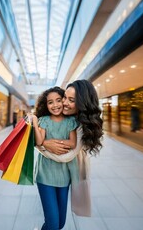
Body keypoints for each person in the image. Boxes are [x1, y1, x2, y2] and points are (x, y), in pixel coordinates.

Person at [36, 79, 104, 221]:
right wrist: (42, 142)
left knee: (60, 222)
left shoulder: (79, 124)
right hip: (48, 175)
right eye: (65, 97)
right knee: (53, 222)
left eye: (71, 100)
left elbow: (66, 156)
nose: (64, 103)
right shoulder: (55, 118)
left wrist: (42, 145)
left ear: (82, 103)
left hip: (66, 174)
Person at [30, 86, 79, 230]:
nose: (55, 105)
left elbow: (73, 143)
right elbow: (39, 141)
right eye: (50, 102)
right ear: (45, 105)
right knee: (52, 224)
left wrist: (54, 144)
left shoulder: (70, 121)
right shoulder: (44, 120)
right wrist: (34, 122)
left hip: (64, 177)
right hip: (45, 175)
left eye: (58, 100)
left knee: (61, 223)